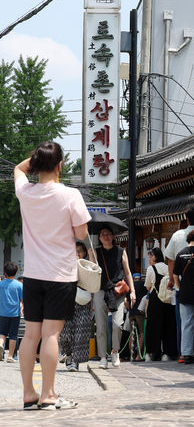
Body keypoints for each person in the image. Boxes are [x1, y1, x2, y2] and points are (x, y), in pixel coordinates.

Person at [14, 141, 91, 409]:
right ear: (61, 165)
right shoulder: (71, 195)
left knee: (30, 335)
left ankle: (28, 393)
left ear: (37, 165)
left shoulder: (25, 191)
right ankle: (47, 394)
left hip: (33, 275)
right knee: (51, 336)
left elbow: (18, 169)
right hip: (60, 275)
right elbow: (81, 234)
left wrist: (33, 163)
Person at [165, 206, 194, 362]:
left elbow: (171, 261)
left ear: (187, 219)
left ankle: (185, 353)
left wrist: (172, 281)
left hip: (182, 286)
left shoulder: (177, 235)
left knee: (185, 321)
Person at [94, 225, 136, 369]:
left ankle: (115, 351)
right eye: (102, 234)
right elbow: (91, 272)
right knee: (100, 324)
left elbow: (128, 272)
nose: (105, 236)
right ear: (99, 238)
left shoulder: (121, 251)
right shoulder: (95, 252)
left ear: (113, 236)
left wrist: (133, 291)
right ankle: (103, 357)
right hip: (100, 290)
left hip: (118, 291)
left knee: (118, 324)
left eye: (108, 234)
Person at [58, 243, 94, 372]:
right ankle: (68, 354)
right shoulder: (65, 267)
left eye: (80, 251)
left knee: (80, 333)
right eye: (74, 251)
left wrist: (92, 304)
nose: (77, 254)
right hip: (67, 302)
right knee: (65, 334)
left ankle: (75, 362)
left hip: (83, 304)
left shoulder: (88, 267)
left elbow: (94, 285)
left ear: (84, 253)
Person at [173, 228, 194, 363]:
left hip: (184, 293)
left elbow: (175, 274)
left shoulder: (180, 254)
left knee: (186, 323)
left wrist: (179, 287)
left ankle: (186, 353)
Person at [144, 248, 178, 361]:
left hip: (156, 299)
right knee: (169, 326)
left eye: (150, 256)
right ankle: (168, 353)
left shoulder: (151, 268)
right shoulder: (168, 267)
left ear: (155, 257)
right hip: (169, 299)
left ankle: (153, 352)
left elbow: (148, 286)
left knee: (154, 326)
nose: (149, 259)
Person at [0, 261, 23, 363]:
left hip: (2, 312)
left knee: (2, 333)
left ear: (5, 272)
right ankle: (10, 357)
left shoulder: (0, 284)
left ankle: (0, 345)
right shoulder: (19, 285)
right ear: (16, 272)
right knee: (13, 335)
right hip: (15, 313)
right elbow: (22, 300)